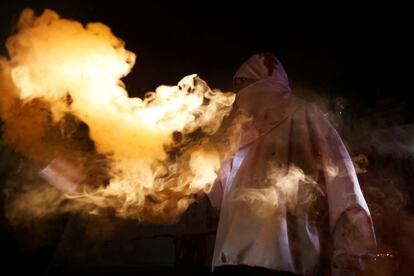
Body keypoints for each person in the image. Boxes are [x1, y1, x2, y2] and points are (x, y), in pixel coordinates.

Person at [207, 53, 377, 275]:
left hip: (286, 261)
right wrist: (203, 171)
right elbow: (220, 198)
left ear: (265, 82)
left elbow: (343, 183)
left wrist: (351, 254)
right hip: (232, 259)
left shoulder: (306, 116)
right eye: (238, 86)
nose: (240, 94)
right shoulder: (239, 130)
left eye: (245, 84)